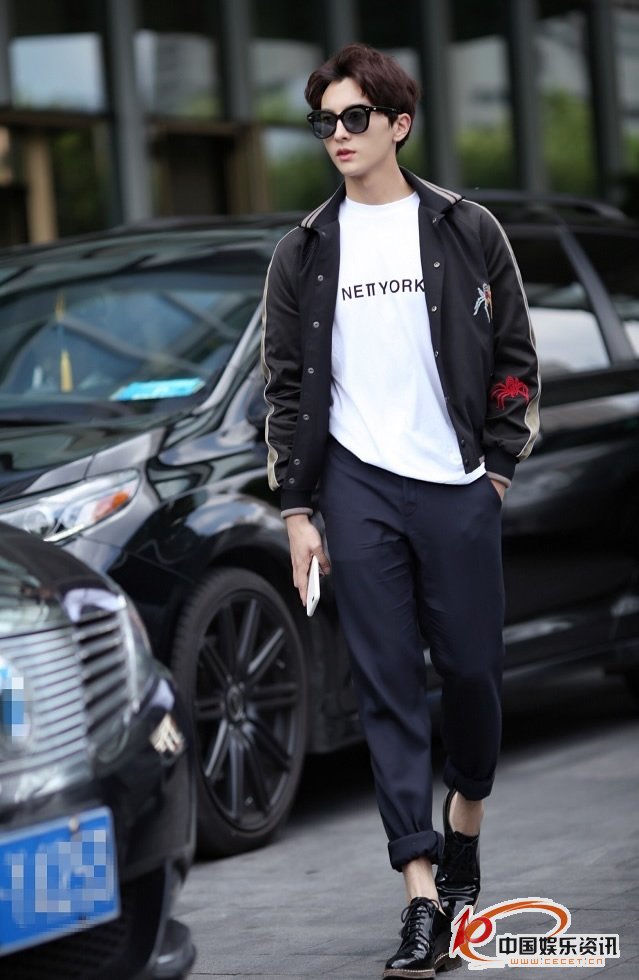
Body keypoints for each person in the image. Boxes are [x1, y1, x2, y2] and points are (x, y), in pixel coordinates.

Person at [261, 42, 540, 979]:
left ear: (398, 124)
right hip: (356, 488)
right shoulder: (303, 250)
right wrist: (297, 510)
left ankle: (465, 821)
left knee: (471, 677)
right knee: (384, 686)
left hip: (455, 483)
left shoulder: (465, 228)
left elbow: (514, 358)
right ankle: (420, 895)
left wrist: (494, 471)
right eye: (324, 122)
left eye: (354, 118)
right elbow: (285, 389)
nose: (337, 136)